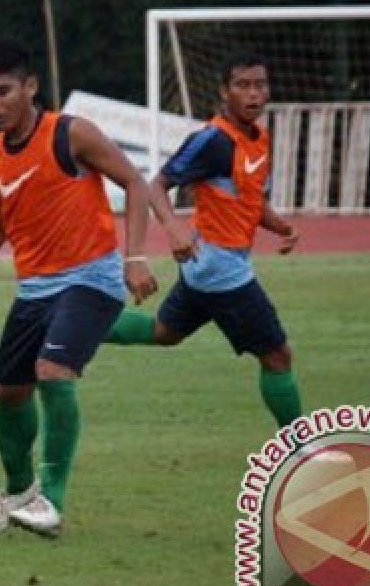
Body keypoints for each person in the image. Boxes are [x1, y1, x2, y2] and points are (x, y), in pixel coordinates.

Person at [0, 39, 179, 539]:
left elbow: (134, 182)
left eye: (2, 91)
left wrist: (134, 256)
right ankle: (19, 490)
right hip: (34, 291)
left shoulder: (70, 133)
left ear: (30, 87)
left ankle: (53, 500)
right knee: (9, 390)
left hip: (92, 278)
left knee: (53, 369)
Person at [104, 51, 303, 429]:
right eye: (243, 85)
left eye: (260, 85)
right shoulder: (211, 140)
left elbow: (251, 200)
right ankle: (301, 448)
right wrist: (174, 229)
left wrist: (282, 227)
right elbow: (158, 184)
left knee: (164, 332)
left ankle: (80, 326)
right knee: (278, 356)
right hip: (219, 268)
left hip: (208, 265)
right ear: (224, 92)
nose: (253, 94)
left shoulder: (259, 139)